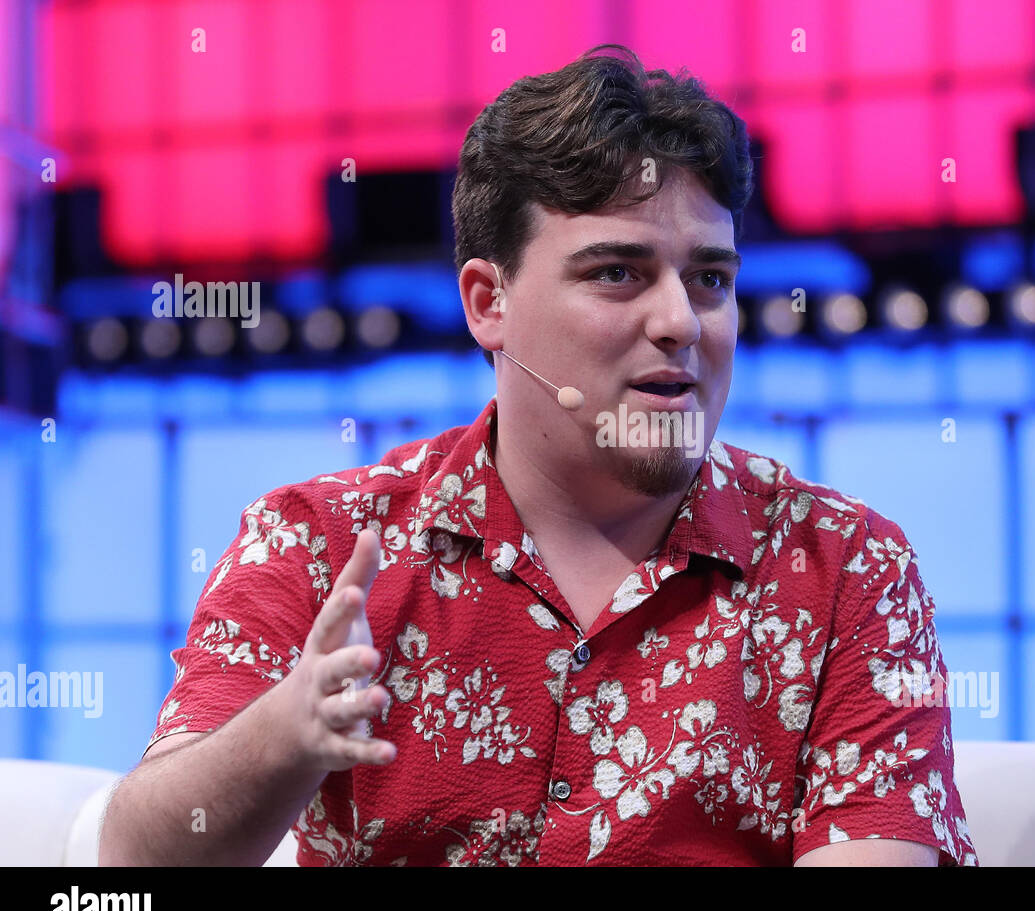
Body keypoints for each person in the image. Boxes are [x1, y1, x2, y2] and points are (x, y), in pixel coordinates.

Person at [100, 43, 979, 867]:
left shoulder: (845, 571)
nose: (680, 321)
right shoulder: (321, 543)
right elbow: (132, 864)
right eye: (618, 273)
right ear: (489, 303)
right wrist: (283, 734)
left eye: (710, 278)